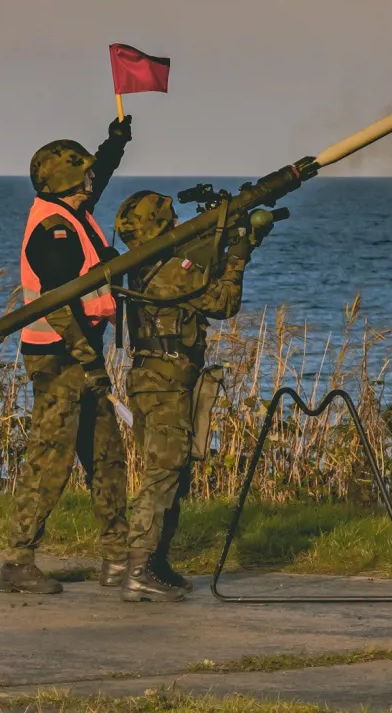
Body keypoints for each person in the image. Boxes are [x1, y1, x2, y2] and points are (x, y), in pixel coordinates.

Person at [112, 191, 273, 601]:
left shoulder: (146, 264)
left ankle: (156, 562)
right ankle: (139, 567)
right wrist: (238, 255)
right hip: (165, 381)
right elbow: (223, 302)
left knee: (176, 472)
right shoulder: (167, 270)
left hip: (160, 378)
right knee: (163, 474)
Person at [0, 116, 133, 595]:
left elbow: (99, 180)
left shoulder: (70, 210)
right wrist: (90, 363)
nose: (93, 180)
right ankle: (18, 561)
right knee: (50, 459)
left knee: (107, 457)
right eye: (87, 173)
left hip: (82, 353)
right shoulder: (53, 228)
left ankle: (119, 559)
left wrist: (114, 144)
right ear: (69, 181)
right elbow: (57, 307)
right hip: (58, 359)